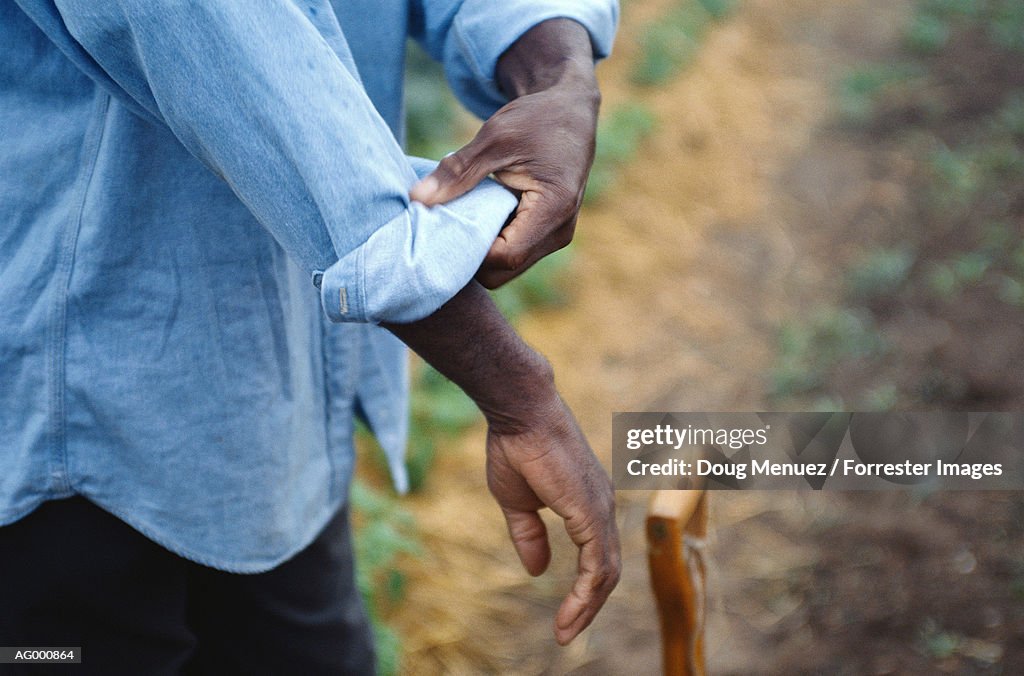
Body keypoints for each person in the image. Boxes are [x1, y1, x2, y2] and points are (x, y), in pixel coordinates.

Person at [0, 1, 621, 674]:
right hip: (75, 421)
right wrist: (519, 396)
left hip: (275, 409)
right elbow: (211, 36)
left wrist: (559, 72)